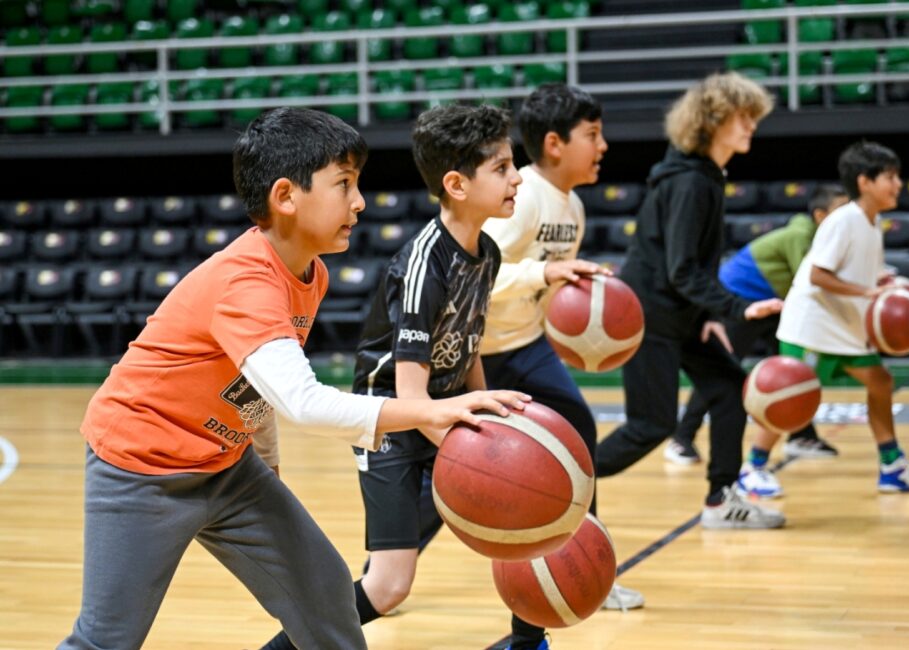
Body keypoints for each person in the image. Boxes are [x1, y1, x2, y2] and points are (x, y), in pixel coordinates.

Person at [59, 107, 528, 650]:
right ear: (286, 197)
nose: (359, 202)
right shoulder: (245, 282)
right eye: (344, 184)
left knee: (324, 588)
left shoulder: (310, 271)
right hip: (141, 468)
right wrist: (425, 410)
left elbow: (257, 386)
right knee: (106, 640)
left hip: (226, 466)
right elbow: (302, 401)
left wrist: (269, 467)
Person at [261, 104, 524, 650]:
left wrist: (490, 412)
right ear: (455, 184)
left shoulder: (489, 253)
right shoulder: (424, 263)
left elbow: (469, 343)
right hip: (394, 426)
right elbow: (409, 395)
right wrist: (484, 452)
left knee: (522, 519)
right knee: (388, 586)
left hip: (440, 414)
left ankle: (528, 640)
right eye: (501, 168)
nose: (517, 177)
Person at [479, 83, 643, 650]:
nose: (604, 147)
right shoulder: (523, 196)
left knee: (577, 432)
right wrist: (544, 277)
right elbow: (479, 277)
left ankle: (578, 568)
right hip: (479, 354)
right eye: (593, 135)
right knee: (457, 484)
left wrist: (590, 321)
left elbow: (549, 286)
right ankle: (386, 573)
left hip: (525, 344)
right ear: (553, 143)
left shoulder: (570, 203)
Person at [593, 72, 787, 530]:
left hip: (678, 313)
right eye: (742, 117)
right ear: (713, 122)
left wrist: (705, 315)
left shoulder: (705, 176)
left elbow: (685, 266)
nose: (751, 126)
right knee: (650, 426)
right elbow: (681, 269)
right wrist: (736, 308)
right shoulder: (690, 183)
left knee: (728, 390)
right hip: (651, 316)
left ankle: (722, 499)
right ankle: (562, 481)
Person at [775, 140, 909, 493]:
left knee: (880, 382)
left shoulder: (871, 221)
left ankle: (891, 465)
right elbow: (818, 274)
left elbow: (866, 271)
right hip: (813, 326)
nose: (898, 185)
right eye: (891, 177)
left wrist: (887, 281)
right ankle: (752, 469)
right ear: (865, 182)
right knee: (788, 398)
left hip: (843, 326)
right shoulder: (844, 220)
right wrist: (867, 293)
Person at [665, 185, 850, 493]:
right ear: (821, 216)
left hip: (771, 304)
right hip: (738, 302)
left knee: (793, 367)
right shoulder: (801, 238)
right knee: (720, 369)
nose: (848, 220)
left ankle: (802, 435)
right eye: (841, 212)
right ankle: (682, 438)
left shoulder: (820, 238)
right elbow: (809, 284)